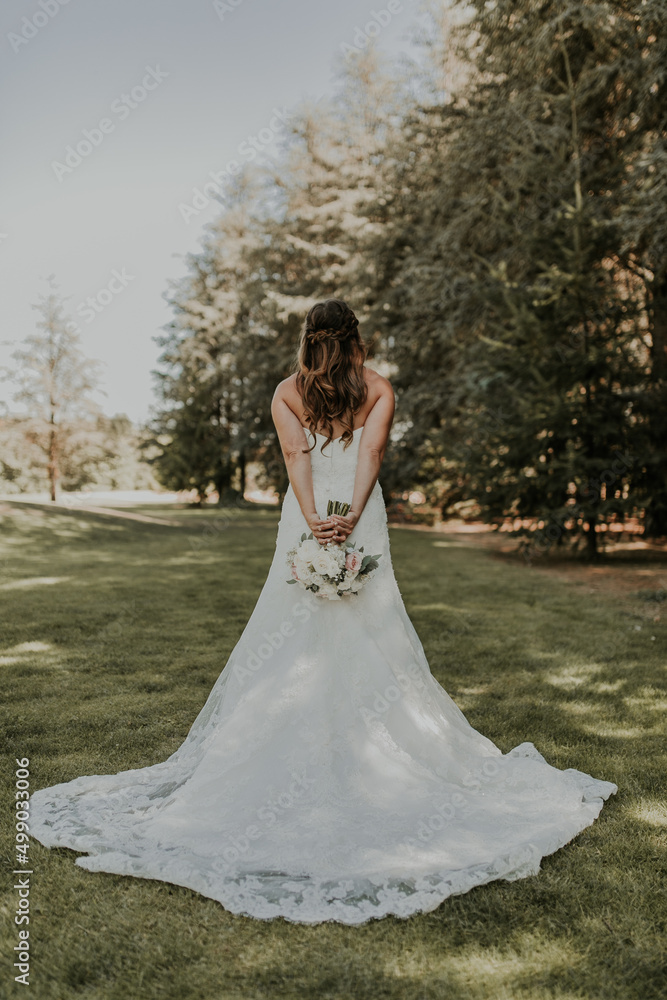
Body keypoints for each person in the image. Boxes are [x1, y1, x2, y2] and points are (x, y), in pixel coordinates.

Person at [28, 298, 617, 925]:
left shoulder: (287, 391)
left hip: (305, 516)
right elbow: (372, 457)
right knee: (374, 619)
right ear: (357, 338)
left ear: (308, 338)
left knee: (295, 626)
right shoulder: (379, 388)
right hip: (361, 517)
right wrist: (352, 516)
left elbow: (296, 459)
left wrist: (313, 521)